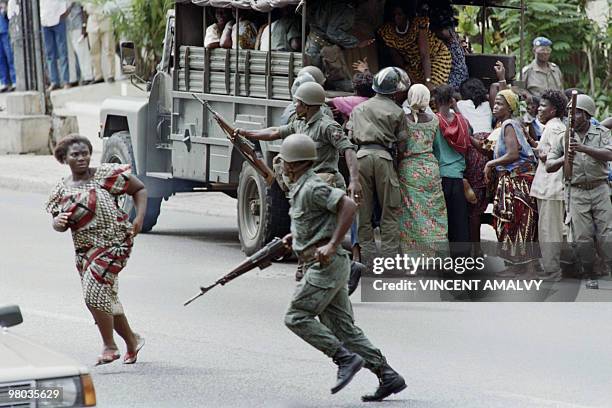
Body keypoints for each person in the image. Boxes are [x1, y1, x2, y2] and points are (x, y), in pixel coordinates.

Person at [280, 133, 406, 401]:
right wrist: (297, 238)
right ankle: (387, 374)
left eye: (284, 162)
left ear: (294, 164)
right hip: (328, 265)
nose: (282, 167)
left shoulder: (313, 186)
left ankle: (343, 358)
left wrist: (333, 244)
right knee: (344, 329)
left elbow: (348, 205)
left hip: (325, 265)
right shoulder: (302, 187)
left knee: (296, 316)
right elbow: (316, 220)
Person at [235, 82, 362, 280]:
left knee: (317, 230)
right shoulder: (299, 122)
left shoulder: (327, 126)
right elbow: (275, 132)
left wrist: (354, 180)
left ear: (310, 105)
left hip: (323, 183)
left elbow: (348, 149)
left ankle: (341, 265)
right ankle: (307, 266)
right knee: (302, 225)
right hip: (304, 184)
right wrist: (247, 133)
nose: (296, 106)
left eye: (299, 103)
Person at [46, 135, 146, 365]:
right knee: (105, 297)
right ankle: (132, 341)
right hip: (84, 250)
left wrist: (139, 218)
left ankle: (109, 346)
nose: (82, 158)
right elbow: (57, 222)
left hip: (115, 243)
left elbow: (139, 189)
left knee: (93, 292)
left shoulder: (104, 176)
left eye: (85, 153)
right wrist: (57, 223)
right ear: (64, 159)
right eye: (75, 155)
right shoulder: (60, 190)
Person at [346, 66, 410, 272]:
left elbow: (349, 139)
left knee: (362, 212)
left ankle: (368, 261)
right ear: (394, 91)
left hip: (361, 158)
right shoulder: (398, 112)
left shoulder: (358, 110)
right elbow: (403, 145)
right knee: (389, 211)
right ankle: (389, 262)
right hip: (384, 159)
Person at [546, 94, 612, 289]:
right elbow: (549, 165)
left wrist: (583, 148)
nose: (571, 117)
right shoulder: (563, 137)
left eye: (576, 113)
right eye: (569, 113)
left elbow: (610, 153)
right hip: (576, 191)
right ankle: (590, 273)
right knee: (582, 237)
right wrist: (564, 158)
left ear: (587, 115)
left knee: (607, 233)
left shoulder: (600, 133)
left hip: (599, 188)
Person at [484, 89, 538, 262]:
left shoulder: (508, 125)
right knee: (513, 224)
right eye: (495, 102)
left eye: (500, 104)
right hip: (514, 179)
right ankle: (516, 266)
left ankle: (528, 269)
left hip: (518, 180)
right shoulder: (509, 124)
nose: (495, 106)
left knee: (520, 223)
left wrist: (490, 164)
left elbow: (513, 154)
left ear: (509, 108)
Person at [399, 84, 448, 249]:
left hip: (409, 169)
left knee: (411, 212)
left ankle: (415, 255)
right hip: (430, 167)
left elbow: (400, 146)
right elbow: (436, 145)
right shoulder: (435, 119)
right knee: (435, 211)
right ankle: (437, 251)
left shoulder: (402, 118)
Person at [529, 90, 568, 281]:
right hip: (549, 187)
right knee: (550, 229)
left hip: (550, 187)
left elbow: (552, 154)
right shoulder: (553, 127)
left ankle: (552, 270)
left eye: (543, 106)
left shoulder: (554, 128)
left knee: (549, 230)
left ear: (553, 110)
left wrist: (540, 153)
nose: (539, 109)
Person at [377, 0, 451, 89]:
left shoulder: (418, 25)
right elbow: (396, 57)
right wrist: (409, 74)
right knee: (417, 90)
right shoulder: (387, 32)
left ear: (406, 14)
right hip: (414, 65)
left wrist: (428, 80)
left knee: (432, 89)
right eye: (394, 15)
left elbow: (424, 55)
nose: (396, 17)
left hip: (434, 57)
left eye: (400, 14)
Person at [304, 0, 374, 92]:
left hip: (317, 46)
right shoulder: (345, 8)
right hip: (322, 49)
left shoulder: (335, 5)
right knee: (316, 84)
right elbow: (333, 33)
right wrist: (356, 43)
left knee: (318, 82)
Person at [457, 78, 493, 243]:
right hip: (489, 148)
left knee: (473, 206)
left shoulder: (462, 105)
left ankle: (475, 249)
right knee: (483, 197)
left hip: (473, 149)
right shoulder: (488, 106)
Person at [434, 84, 470, 244]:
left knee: (441, 220)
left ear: (435, 101)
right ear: (451, 101)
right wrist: (457, 109)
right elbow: (470, 134)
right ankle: (461, 260)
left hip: (439, 176)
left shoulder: (433, 122)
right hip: (458, 177)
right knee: (459, 222)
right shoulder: (462, 121)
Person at [429, 7, 468, 90]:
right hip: (459, 74)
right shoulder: (451, 31)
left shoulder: (446, 34)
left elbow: (443, 33)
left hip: (455, 76)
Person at [40, 0, 71, 91]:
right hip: (45, 21)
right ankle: (54, 81)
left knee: (62, 52)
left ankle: (66, 81)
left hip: (58, 19)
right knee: (50, 54)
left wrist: (65, 12)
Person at [83, 2, 115, 83]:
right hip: (92, 22)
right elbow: (85, 8)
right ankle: (98, 76)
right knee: (94, 52)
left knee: (109, 50)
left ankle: (111, 74)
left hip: (106, 20)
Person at [66, 2, 93, 85]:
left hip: (77, 25)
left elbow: (84, 8)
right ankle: (72, 79)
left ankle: (88, 76)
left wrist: (84, 25)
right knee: (69, 54)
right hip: (65, 26)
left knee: (82, 52)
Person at [0, 0, 15, 92]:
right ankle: (4, 82)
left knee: (9, 55)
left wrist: (4, 8)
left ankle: (14, 80)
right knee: (0, 58)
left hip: (4, 29)